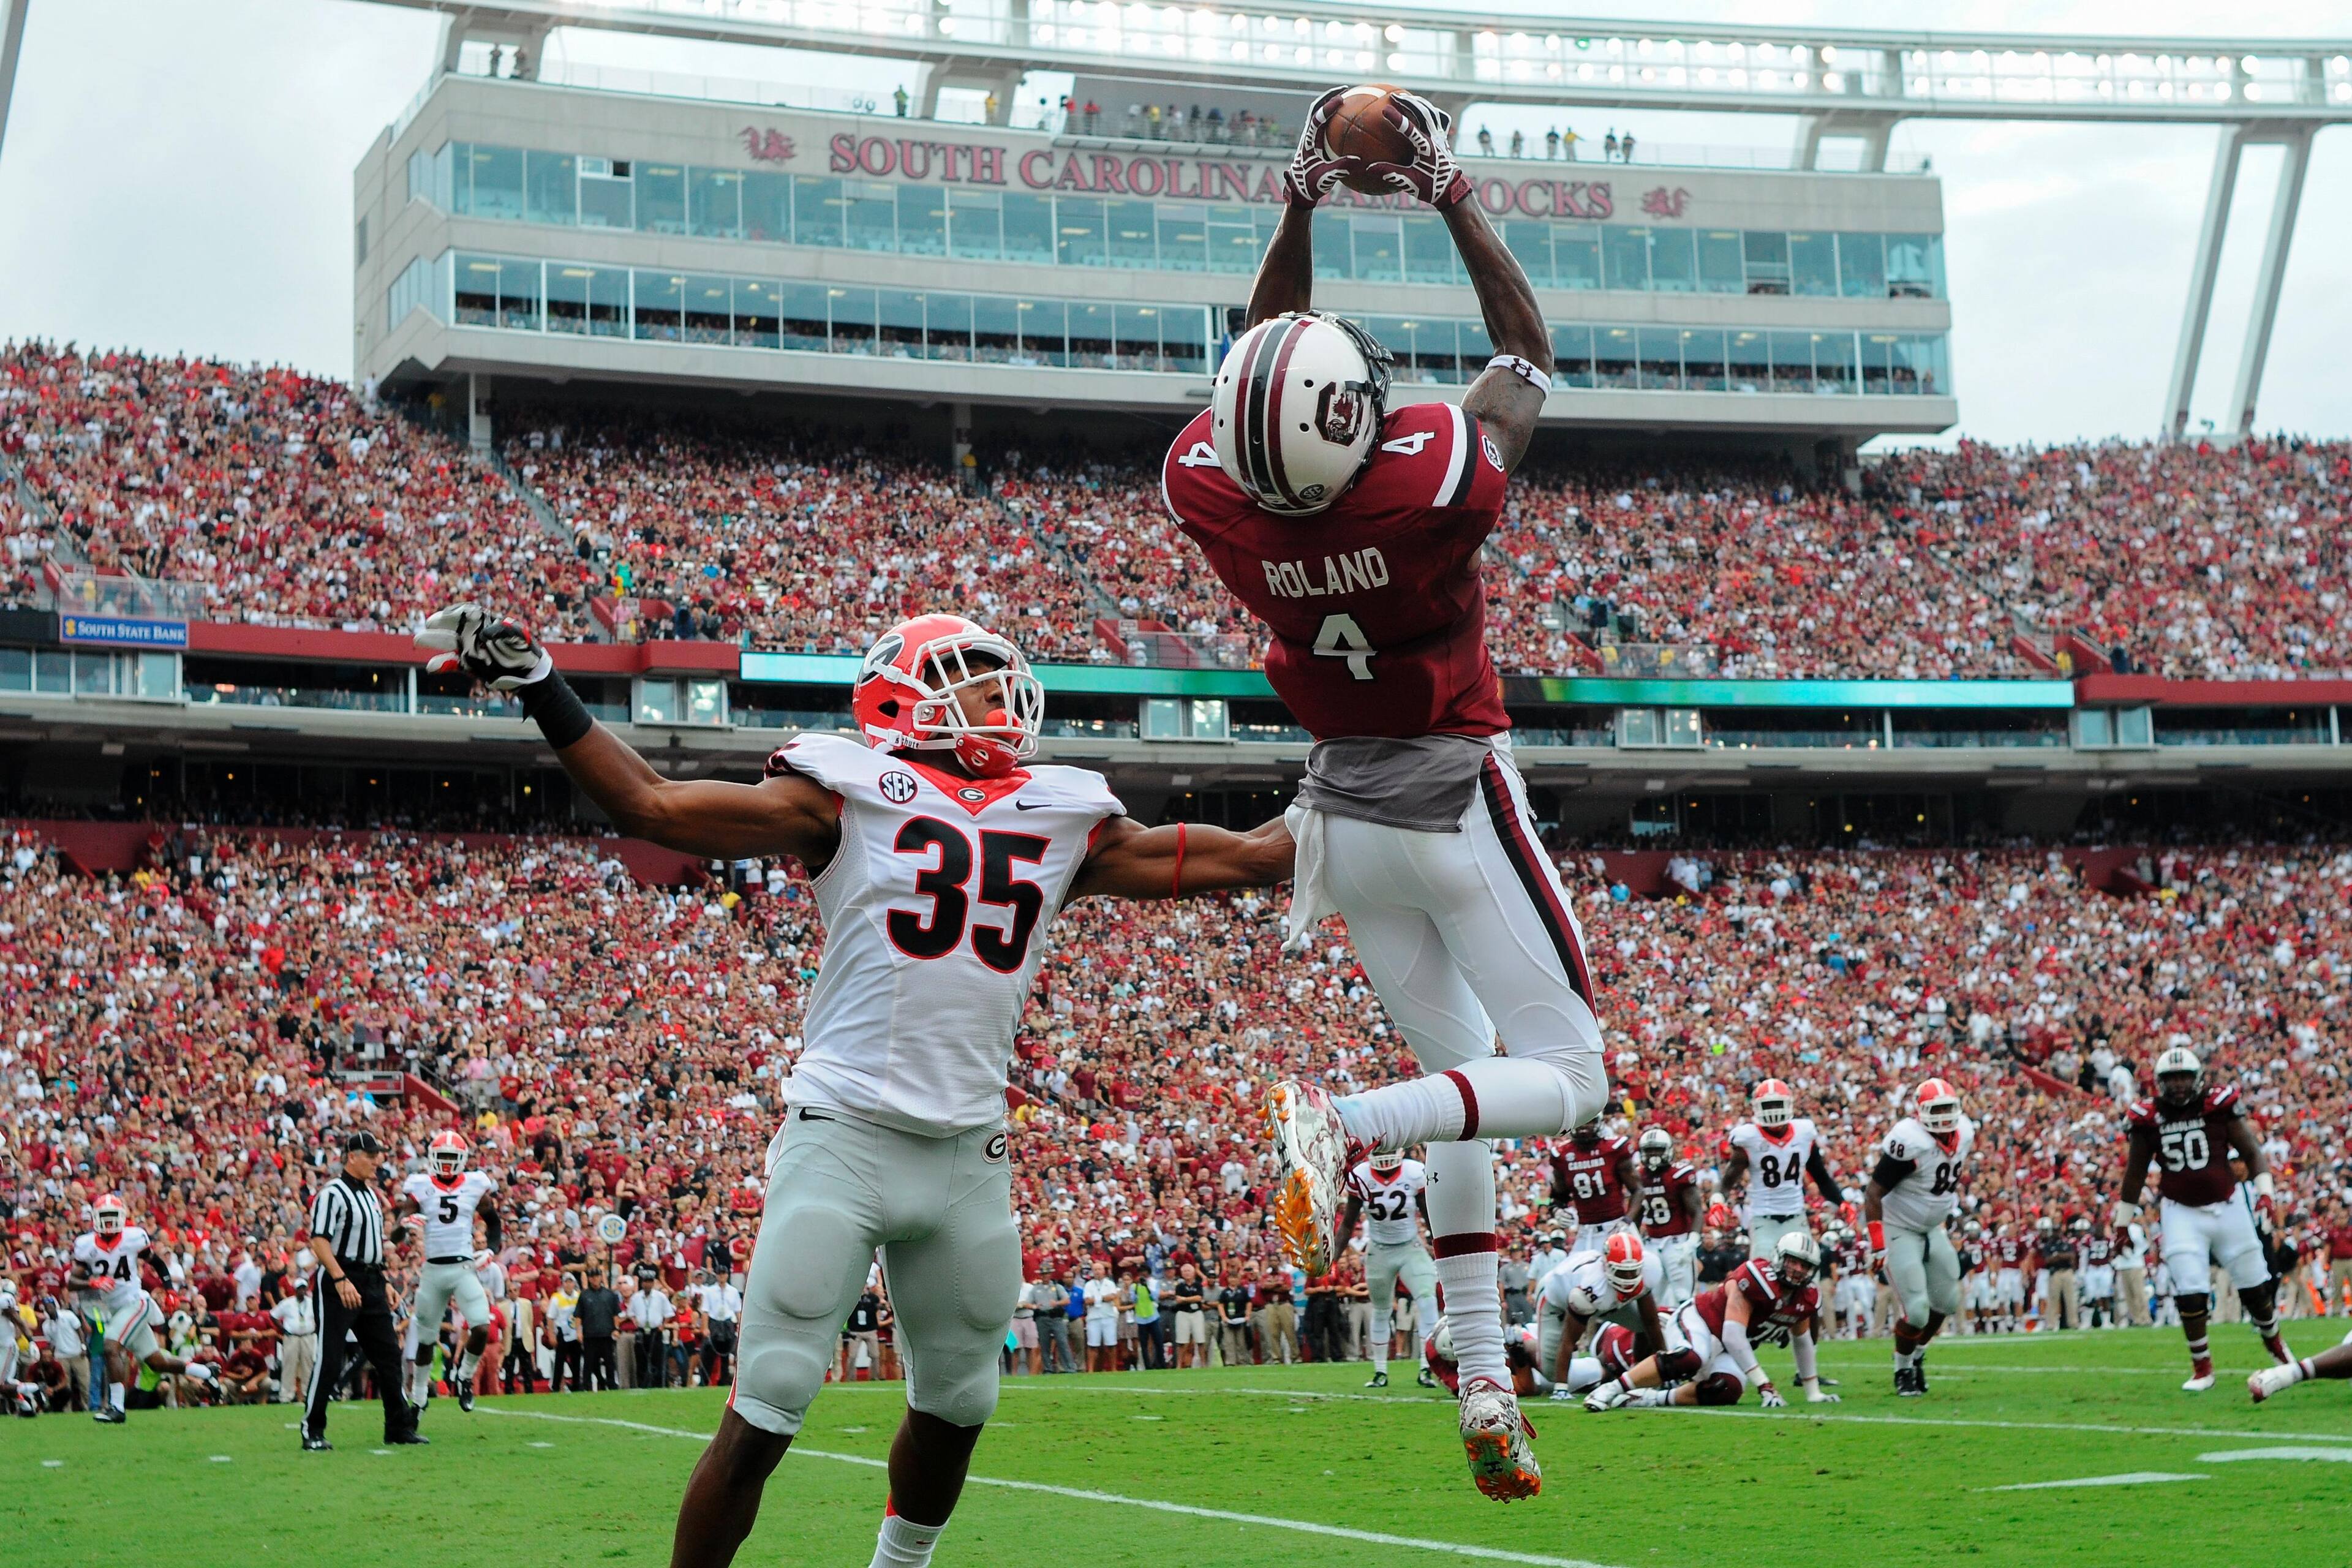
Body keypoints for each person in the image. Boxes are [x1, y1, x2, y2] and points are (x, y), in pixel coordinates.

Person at [415, 601, 1291, 1568]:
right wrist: (544, 682)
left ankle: (899, 1565)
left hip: (968, 1151)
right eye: (971, 673)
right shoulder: (843, 792)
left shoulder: (1066, 815)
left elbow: (1252, 858)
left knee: (959, 1408)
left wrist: (1362, 774)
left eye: (1000, 672)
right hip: (843, 1137)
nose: (1002, 692)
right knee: (766, 1410)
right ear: (903, 697)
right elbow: (651, 807)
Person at [1163, 85, 1594, 1504]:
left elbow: (1253, 357)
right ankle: (1340, 1122)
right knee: (1568, 1080)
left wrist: (1296, 201)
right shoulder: (1424, 485)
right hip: (1452, 793)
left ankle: (1479, 1375)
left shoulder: (1212, 493)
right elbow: (1524, 352)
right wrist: (1448, 192)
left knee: (1462, 1087)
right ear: (1356, 418)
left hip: (1337, 824)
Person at [2117, 1046, 2290, 1390]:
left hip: (2228, 1205)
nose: (2179, 1085)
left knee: (2256, 1289)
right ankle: (2202, 1368)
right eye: (2171, 1079)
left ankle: (2277, 1347)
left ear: (2197, 1079)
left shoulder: (2219, 1105)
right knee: (2190, 1291)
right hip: (2180, 1210)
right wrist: (2122, 1222)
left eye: (2184, 1077)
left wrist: (2266, 1191)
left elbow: (2251, 1152)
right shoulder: (2147, 1117)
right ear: (2159, 1082)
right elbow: (2135, 1174)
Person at [1589, 1232, 1838, 1411]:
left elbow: (1802, 1341)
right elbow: (1733, 1334)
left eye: (1805, 1266)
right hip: (1700, 1321)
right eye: (1792, 1261)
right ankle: (1611, 1389)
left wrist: (1813, 1391)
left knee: (1728, 1388)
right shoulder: (1757, 1278)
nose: (1797, 1269)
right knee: (1691, 1357)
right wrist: (1765, 1385)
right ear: (1779, 1258)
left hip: (1728, 1347)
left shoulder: (1806, 1297)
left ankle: (1647, 1399)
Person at [301, 1130, 423, 1450]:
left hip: (371, 1280)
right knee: (330, 1356)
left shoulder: (370, 1195)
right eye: (370, 1156)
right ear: (351, 1156)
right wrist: (341, 1279)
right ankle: (312, 1430)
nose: (376, 1161)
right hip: (340, 1277)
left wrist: (384, 1283)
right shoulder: (332, 1193)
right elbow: (319, 1241)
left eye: (377, 1155)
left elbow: (373, 1248)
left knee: (388, 1354)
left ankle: (398, 1427)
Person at [1864, 1079, 1972, 1397]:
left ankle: (1918, 1355)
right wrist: (1878, 1242)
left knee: (1948, 1300)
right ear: (1921, 1112)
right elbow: (1873, 1193)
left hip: (1932, 1228)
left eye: (1947, 1109)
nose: (1942, 1116)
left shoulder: (1965, 1131)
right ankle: (1902, 1370)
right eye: (1935, 1110)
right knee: (1917, 1310)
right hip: (1899, 1227)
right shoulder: (1909, 1140)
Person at [394, 1129, 502, 1415]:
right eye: (441, 1156)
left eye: (451, 1157)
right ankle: (418, 1396)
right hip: (433, 1271)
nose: (445, 1162)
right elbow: (395, 1232)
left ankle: (464, 1377)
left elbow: (494, 1224)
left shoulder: (476, 1185)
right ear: (431, 1158)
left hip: (464, 1268)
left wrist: (491, 1250)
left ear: (463, 1159)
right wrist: (405, 1225)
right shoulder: (420, 1186)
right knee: (426, 1340)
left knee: (481, 1327)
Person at [1537, 1233, 1688, 1403]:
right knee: (1550, 1372)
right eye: (1623, 1273)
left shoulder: (1649, 1270)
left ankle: (1636, 1372)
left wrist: (1666, 1370)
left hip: (1608, 1298)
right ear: (1607, 1266)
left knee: (1643, 1326)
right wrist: (1561, 1388)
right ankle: (1527, 1345)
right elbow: (1569, 1340)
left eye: (1633, 1272)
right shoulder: (1592, 1286)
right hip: (1556, 1301)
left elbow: (1651, 1323)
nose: (1629, 1279)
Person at [1341, 1148, 1439, 1388]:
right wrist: (1332, 1256)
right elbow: (1347, 1223)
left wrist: (1440, 1245)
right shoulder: (1362, 1175)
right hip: (1380, 1250)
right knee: (1382, 1310)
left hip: (1409, 1247)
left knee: (1427, 1302)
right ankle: (1380, 1372)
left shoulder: (1414, 1172)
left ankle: (1427, 1369)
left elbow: (1429, 1215)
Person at [1719, 1079, 1844, 1261]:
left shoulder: (1804, 1133)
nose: (1773, 1110)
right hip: (1763, 1218)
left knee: (1808, 1277)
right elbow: (1727, 1181)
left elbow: (1821, 1177)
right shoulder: (1748, 1138)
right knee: (1763, 1274)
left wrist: (1841, 1202)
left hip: (1796, 1216)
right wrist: (1716, 1201)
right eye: (1768, 1105)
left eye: (1777, 1104)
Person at [1549, 1114, 1639, 1255]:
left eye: (1589, 1121)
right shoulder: (1562, 1155)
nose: (1584, 1127)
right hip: (1585, 1232)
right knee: (1572, 1275)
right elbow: (1558, 1196)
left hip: (1616, 1226)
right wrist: (1557, 1210)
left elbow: (1638, 1190)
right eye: (1580, 1122)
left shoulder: (1613, 1149)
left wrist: (1627, 1221)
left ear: (1599, 1123)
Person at [1634, 1130, 1703, 1307]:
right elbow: (1636, 1212)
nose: (1653, 1155)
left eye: (1657, 1150)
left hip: (1677, 1243)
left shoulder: (1679, 1174)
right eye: (1649, 1151)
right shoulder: (1639, 1176)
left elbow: (1696, 1211)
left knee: (1684, 1296)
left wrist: (1692, 1241)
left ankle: (1688, 1333)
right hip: (1650, 1244)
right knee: (1651, 1298)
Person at [270, 1274, 318, 1404]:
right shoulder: (287, 1303)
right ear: (295, 1290)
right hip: (292, 1337)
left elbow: (319, 1316)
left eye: (304, 1288)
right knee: (289, 1365)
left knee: (307, 1365)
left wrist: (316, 1328)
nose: (302, 1291)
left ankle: (307, 1393)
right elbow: (273, 1315)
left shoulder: (311, 1302)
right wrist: (283, 1329)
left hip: (308, 1336)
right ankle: (286, 1395)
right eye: (299, 1289)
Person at [1164, 1264, 1207, 1369]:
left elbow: (1199, 1298)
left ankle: (1203, 1364)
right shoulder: (1180, 1286)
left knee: (1200, 1339)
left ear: (1193, 1273)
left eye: (1189, 1271)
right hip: (1183, 1313)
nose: (1187, 1273)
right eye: (1185, 1271)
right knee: (1181, 1341)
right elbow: (1178, 1299)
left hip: (1196, 1313)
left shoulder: (1198, 1285)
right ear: (1182, 1274)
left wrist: (1185, 1299)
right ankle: (1179, 1365)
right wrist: (1188, 1299)